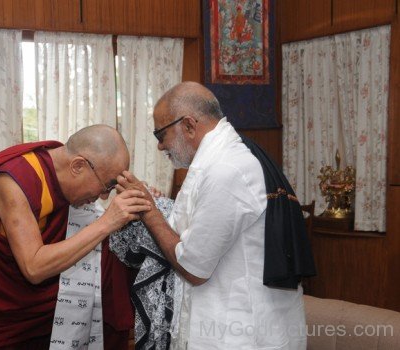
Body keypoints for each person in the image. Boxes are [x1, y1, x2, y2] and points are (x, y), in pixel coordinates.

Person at [117, 82, 316, 349]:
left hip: (241, 335)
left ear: (189, 125)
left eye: (159, 135)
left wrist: (148, 209)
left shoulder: (227, 169)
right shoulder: (221, 159)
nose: (159, 146)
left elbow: (194, 267)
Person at [0, 125, 152, 349]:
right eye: (106, 186)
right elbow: (33, 267)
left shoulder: (60, 177)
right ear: (78, 166)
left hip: (24, 315)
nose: (102, 196)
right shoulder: (13, 182)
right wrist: (108, 222)